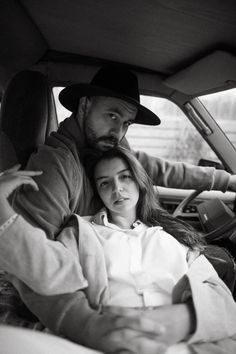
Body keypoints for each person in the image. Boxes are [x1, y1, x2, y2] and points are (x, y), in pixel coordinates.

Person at [2, 64, 236, 348]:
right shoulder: (54, 166)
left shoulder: (106, 144)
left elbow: (157, 168)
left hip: (143, 267)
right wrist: (85, 323)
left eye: (126, 123)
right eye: (112, 115)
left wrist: (226, 181)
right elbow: (31, 260)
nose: (119, 130)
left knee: (217, 265)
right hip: (97, 288)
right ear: (85, 105)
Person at [1, 149, 236, 354]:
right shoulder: (82, 231)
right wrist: (4, 214)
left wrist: (188, 318)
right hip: (110, 342)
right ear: (98, 191)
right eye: (105, 183)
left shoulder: (173, 234)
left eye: (125, 177)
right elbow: (46, 267)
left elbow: (220, 296)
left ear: (139, 182)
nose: (117, 189)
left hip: (188, 342)